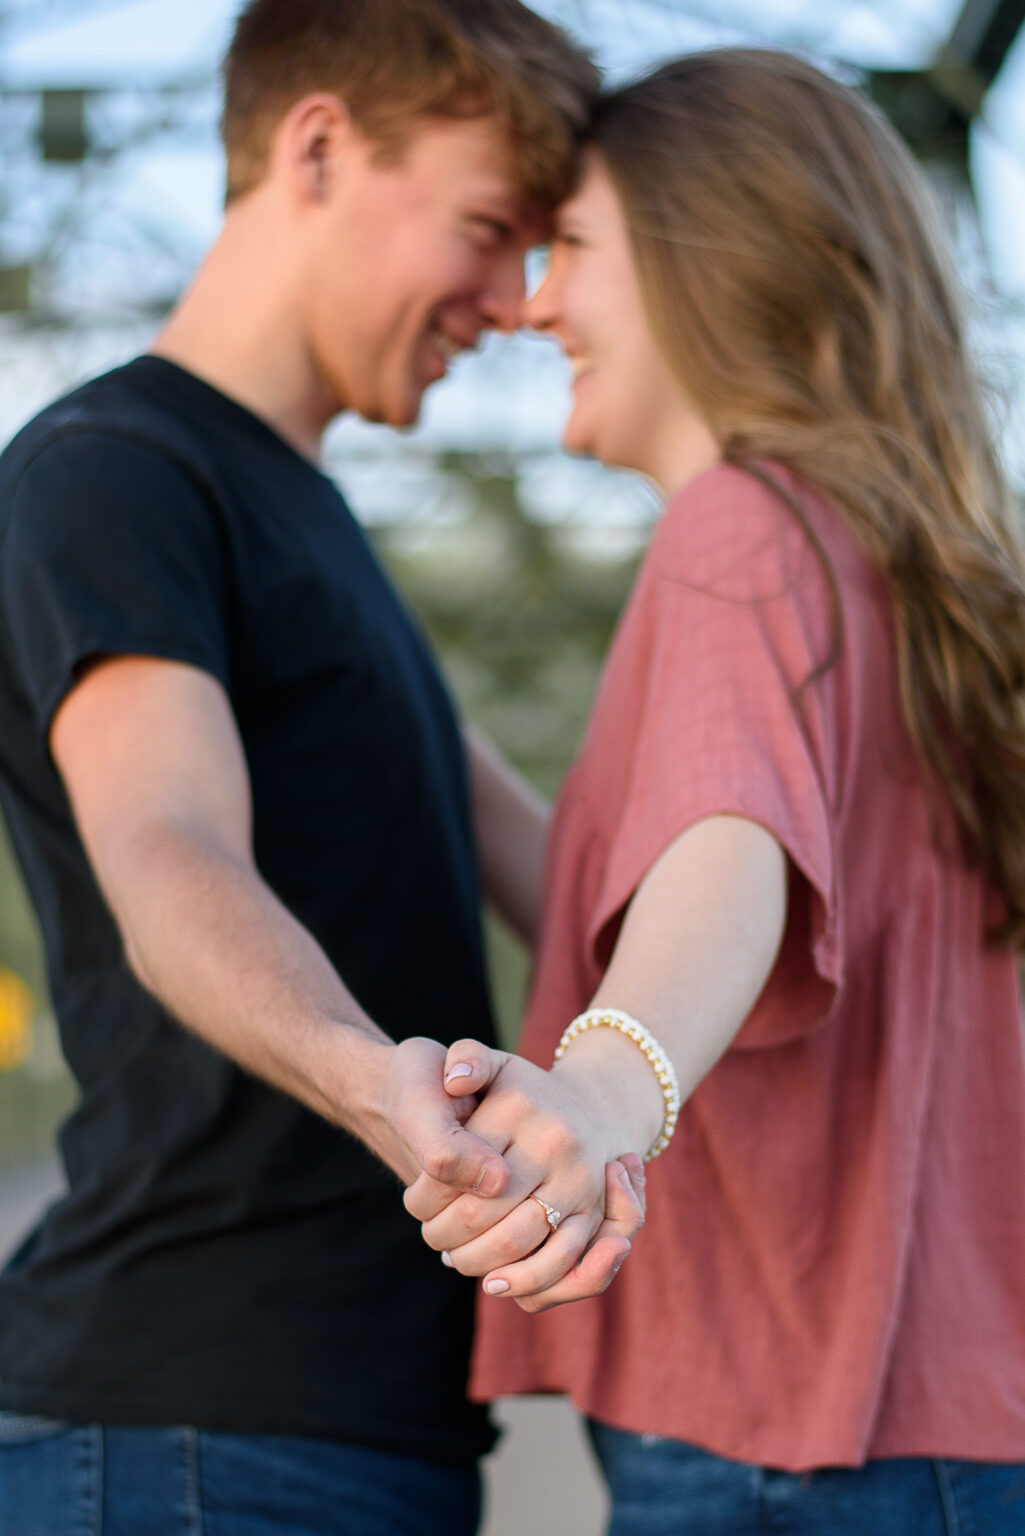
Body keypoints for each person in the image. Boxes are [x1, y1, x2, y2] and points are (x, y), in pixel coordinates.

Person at [0, 4, 645, 1533]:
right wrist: (379, 1086)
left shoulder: (309, 520)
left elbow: (566, 881)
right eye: (487, 230)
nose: (507, 302)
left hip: (338, 1431)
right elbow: (166, 852)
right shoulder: (117, 471)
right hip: (191, 1431)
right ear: (317, 147)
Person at [403, 48, 1025, 1532]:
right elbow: (663, 872)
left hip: (781, 1435)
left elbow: (725, 856)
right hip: (941, 1426)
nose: (533, 303)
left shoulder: (732, 531)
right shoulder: (875, 565)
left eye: (578, 252)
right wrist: (406, 713)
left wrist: (609, 1087)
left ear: (712, 260)